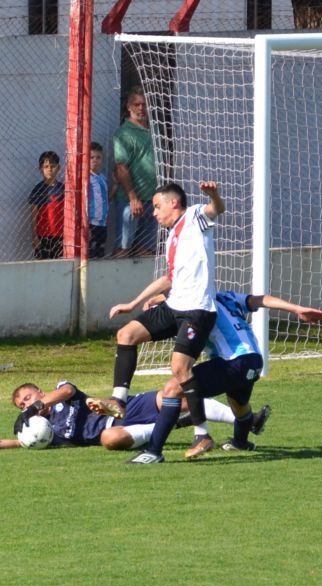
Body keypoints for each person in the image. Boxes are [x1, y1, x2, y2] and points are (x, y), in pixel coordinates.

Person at [127, 291, 322, 464]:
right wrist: (296, 308)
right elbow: (262, 299)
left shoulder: (200, 306)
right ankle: (240, 442)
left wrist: (160, 300)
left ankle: (153, 452)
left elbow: (178, 295)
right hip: (254, 361)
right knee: (239, 405)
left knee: (173, 388)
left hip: (233, 360)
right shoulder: (227, 296)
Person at [108, 181, 225, 464]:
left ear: (174, 203)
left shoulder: (195, 216)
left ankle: (202, 434)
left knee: (179, 369)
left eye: (157, 206)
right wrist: (134, 303)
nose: (154, 213)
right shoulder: (172, 236)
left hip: (197, 311)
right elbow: (171, 278)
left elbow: (215, 210)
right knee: (127, 334)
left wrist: (214, 196)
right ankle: (118, 401)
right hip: (174, 306)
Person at [0, 380, 267, 451]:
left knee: (172, 395)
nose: (26, 403)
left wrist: (38, 406)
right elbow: (26, 443)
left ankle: (246, 420)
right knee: (108, 439)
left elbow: (69, 389)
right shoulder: (47, 430)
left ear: (39, 391)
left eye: (28, 397)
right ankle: (176, 423)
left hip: (124, 410)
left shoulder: (59, 394)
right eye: (21, 404)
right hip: (117, 431)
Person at [111, 86, 157, 257]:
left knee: (146, 250)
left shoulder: (154, 131)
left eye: (144, 104)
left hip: (153, 199)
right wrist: (132, 197)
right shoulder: (123, 134)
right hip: (131, 201)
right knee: (123, 248)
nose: (141, 108)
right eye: (136, 104)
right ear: (128, 107)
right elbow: (120, 167)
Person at [28, 151, 64, 260]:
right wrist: (34, 236)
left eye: (53, 166)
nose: (49, 169)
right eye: (46, 166)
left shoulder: (63, 189)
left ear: (58, 168)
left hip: (60, 236)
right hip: (43, 236)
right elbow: (34, 215)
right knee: (43, 264)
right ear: (40, 169)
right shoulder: (38, 190)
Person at [88, 142, 110, 259]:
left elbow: (106, 198)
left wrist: (116, 186)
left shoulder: (103, 178)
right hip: (90, 223)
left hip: (103, 223)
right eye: (91, 157)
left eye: (98, 157)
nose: (95, 160)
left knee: (100, 253)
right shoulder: (86, 178)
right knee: (90, 253)